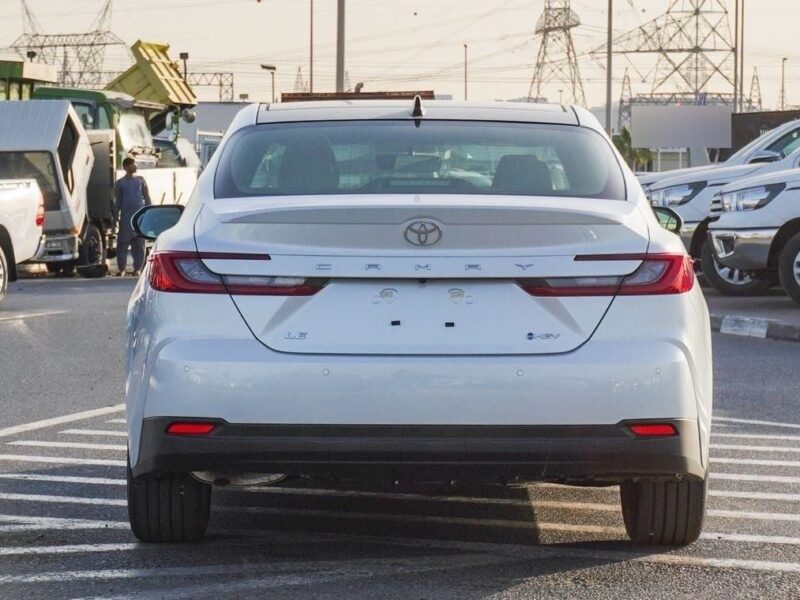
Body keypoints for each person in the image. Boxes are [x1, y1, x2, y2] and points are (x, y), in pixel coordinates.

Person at [114, 157, 151, 276]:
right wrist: (115, 218)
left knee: (139, 244)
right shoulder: (120, 183)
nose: (135, 167)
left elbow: (147, 198)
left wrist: (149, 212)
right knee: (123, 243)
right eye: (132, 165)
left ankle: (138, 268)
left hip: (140, 217)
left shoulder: (140, 180)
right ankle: (122, 268)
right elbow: (117, 202)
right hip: (125, 218)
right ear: (126, 167)